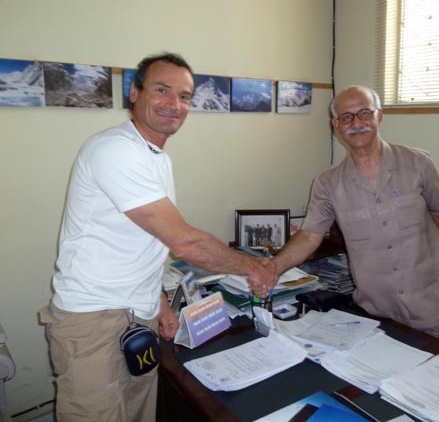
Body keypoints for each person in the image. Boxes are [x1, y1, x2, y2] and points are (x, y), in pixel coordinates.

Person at [39, 52, 277, 422]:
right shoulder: (115, 149)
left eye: (184, 96)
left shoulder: (156, 157)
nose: (174, 104)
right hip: (95, 318)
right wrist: (253, 268)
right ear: (135, 93)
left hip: (139, 313)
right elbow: (184, 242)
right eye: (162, 90)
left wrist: (160, 303)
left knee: (140, 412)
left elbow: (147, 242)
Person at [273, 85, 439, 344]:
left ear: (379, 116)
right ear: (336, 125)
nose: (357, 123)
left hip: (433, 302)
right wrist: (271, 269)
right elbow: (309, 236)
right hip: (379, 312)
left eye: (364, 113)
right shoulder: (328, 183)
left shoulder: (418, 163)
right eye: (347, 117)